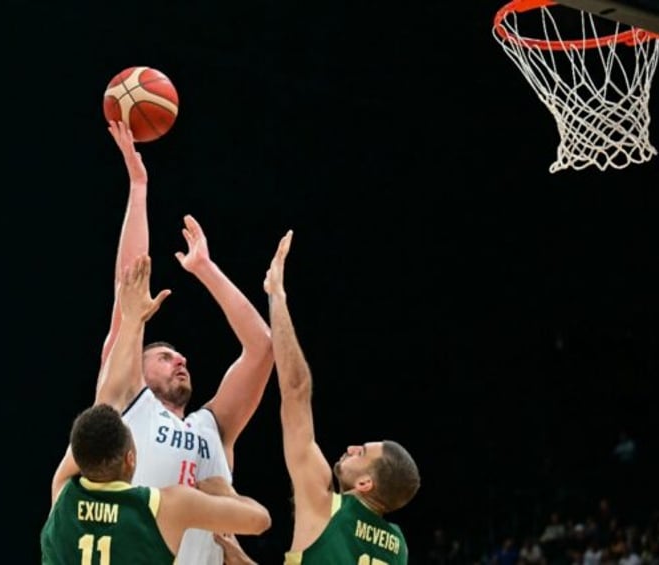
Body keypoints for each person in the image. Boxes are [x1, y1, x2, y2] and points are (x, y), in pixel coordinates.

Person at [96, 120, 275, 564]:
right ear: (136, 368)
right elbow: (129, 289)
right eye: (162, 355)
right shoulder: (126, 403)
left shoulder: (212, 428)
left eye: (178, 355)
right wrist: (139, 188)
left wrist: (205, 269)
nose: (179, 358)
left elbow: (262, 348)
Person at [263, 230, 421, 564]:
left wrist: (277, 296)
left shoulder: (325, 505)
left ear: (364, 482)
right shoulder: (399, 550)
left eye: (361, 452)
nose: (351, 448)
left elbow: (296, 391)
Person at [40, 403, 271, 564]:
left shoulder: (62, 492)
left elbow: (86, 435)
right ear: (130, 459)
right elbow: (260, 521)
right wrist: (226, 492)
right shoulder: (164, 506)